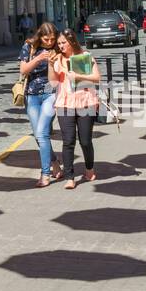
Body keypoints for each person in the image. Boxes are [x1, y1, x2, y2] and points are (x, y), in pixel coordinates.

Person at [50, 29, 100, 189]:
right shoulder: (57, 59)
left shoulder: (84, 57)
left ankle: (89, 169)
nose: (61, 46)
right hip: (64, 104)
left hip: (86, 102)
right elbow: (52, 83)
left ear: (72, 42)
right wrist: (51, 65)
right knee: (68, 141)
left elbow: (97, 78)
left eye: (63, 42)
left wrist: (79, 77)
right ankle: (70, 177)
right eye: (59, 43)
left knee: (85, 141)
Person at [19, 21, 61, 187]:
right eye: (46, 39)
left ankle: (45, 174)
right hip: (31, 95)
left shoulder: (57, 49)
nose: (49, 42)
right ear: (40, 36)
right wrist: (38, 58)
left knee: (42, 133)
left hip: (50, 94)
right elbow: (23, 70)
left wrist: (51, 62)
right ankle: (56, 163)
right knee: (39, 134)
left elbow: (56, 79)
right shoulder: (28, 47)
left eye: (52, 39)